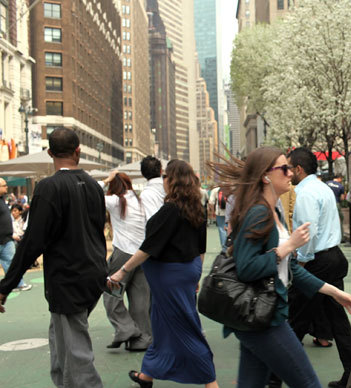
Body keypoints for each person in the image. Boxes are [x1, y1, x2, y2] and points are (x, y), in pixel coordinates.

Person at [208, 146, 351, 388]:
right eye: (284, 168)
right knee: (309, 383)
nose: (291, 173)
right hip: (264, 317)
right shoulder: (259, 213)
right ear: (265, 176)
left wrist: (334, 292)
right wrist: (287, 246)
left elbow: (291, 269)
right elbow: (247, 268)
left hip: (260, 317)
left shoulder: (273, 210)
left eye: (290, 168)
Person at [0, 127, 107, 387]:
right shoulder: (94, 186)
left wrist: (6, 286)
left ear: (49, 152)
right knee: (60, 343)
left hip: (67, 279)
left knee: (76, 355)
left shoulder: (49, 187)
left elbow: (32, 243)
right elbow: (98, 231)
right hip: (93, 274)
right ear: (78, 150)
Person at [108, 160, 218, 388]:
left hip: (169, 277)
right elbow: (201, 248)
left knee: (185, 327)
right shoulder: (195, 207)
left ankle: (211, 382)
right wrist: (195, 275)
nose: (164, 181)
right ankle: (147, 374)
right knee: (161, 324)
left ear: (173, 181)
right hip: (186, 271)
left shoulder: (170, 210)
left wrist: (122, 271)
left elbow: (147, 247)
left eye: (166, 177)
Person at [98, 170, 152, 351]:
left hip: (122, 253)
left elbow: (92, 193)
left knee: (110, 293)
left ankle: (126, 328)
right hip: (142, 255)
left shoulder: (115, 201)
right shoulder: (140, 201)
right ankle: (143, 339)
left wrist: (106, 179)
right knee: (140, 300)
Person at [0, 179, 31, 292]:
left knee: (13, 263)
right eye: (4, 186)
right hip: (3, 239)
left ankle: (18, 284)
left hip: (7, 239)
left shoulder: (2, 200)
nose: (7, 187)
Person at [140, 156, 166, 221]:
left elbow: (151, 221)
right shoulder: (172, 188)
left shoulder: (145, 194)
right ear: (161, 171)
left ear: (143, 174)